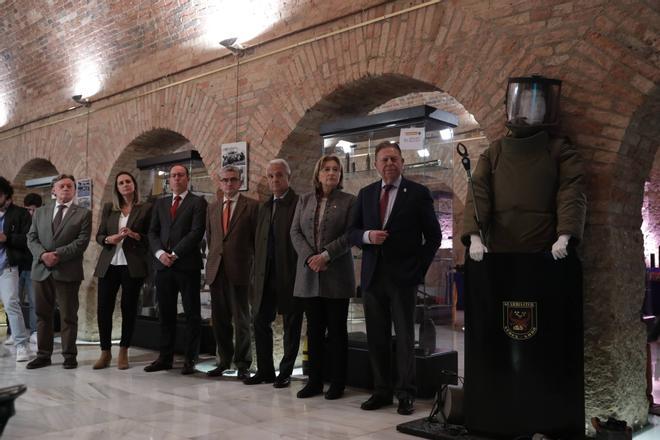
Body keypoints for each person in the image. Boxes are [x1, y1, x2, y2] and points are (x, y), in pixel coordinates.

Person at [349, 141, 442, 415]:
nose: (389, 164)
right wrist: (367, 237)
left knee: (403, 339)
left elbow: (434, 236)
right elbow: (352, 232)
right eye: (383, 160)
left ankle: (406, 393)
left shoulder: (417, 193)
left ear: (402, 162)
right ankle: (381, 391)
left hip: (403, 279)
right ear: (376, 165)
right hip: (372, 278)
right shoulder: (365, 194)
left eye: (393, 159)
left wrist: (418, 269)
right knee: (376, 338)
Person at [462, 76, 586, 259]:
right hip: (499, 253)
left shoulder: (560, 152)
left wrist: (564, 236)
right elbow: (478, 193)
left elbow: (571, 193)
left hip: (546, 251)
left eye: (537, 104)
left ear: (546, 109)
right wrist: (475, 238)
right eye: (526, 103)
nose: (531, 109)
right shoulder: (495, 152)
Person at [290, 155, 356, 399]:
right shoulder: (304, 200)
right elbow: (295, 231)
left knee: (337, 332)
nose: (331, 173)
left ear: (340, 175)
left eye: (336, 170)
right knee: (314, 332)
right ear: (318, 174)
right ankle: (314, 381)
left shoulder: (350, 201)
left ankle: (337, 383)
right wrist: (310, 257)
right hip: (309, 274)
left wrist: (326, 255)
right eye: (326, 169)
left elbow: (351, 234)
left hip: (336, 274)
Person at [244, 159, 302, 388]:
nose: (275, 179)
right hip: (265, 275)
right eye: (270, 176)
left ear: (289, 177)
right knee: (259, 321)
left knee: (291, 325)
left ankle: (285, 372)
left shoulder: (299, 203)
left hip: (290, 275)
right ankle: (265, 370)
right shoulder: (265, 207)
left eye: (279, 175)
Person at [145, 164, 207, 375]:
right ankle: (165, 357)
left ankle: (191, 358)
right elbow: (152, 232)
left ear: (187, 178)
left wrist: (175, 253)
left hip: (186, 265)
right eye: (173, 176)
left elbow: (196, 232)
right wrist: (160, 254)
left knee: (192, 314)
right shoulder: (160, 204)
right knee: (166, 314)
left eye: (181, 175)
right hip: (162, 266)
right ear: (168, 180)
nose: (177, 179)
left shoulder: (198, 202)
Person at [26, 174, 92, 369]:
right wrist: (43, 255)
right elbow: (31, 237)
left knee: (68, 316)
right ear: (53, 190)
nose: (65, 189)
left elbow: (82, 242)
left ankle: (69, 356)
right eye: (61, 186)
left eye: (69, 186)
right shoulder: (40, 212)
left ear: (74, 190)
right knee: (42, 315)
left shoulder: (83, 213)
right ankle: (43, 355)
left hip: (67, 271)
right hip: (41, 270)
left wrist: (58, 254)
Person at [93, 171, 153, 370]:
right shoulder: (110, 208)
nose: (125, 185)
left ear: (134, 185)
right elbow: (99, 236)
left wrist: (135, 235)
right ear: (117, 188)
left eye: (128, 181)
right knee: (103, 308)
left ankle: (124, 350)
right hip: (109, 264)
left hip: (132, 265)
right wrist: (110, 239)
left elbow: (150, 237)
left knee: (128, 309)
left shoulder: (145, 209)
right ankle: (105, 352)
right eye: (121, 183)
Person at [205, 165, 258, 380]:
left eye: (233, 180)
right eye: (225, 180)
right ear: (220, 182)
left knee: (242, 320)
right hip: (217, 271)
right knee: (220, 321)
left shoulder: (253, 207)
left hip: (241, 271)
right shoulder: (213, 208)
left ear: (240, 181)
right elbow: (211, 238)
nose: (229, 184)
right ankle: (223, 361)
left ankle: (243, 363)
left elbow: (256, 242)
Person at [0, 177, 34, 362]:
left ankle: (22, 345)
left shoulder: (20, 214)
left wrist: (7, 238)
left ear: (6, 194)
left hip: (8, 267)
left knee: (12, 304)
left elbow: (29, 239)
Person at [20, 193, 42, 341]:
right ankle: (17, 331)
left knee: (35, 301)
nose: (31, 213)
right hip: (18, 266)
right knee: (14, 301)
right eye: (28, 209)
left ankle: (35, 331)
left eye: (34, 210)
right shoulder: (21, 220)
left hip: (33, 266)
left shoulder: (42, 222)